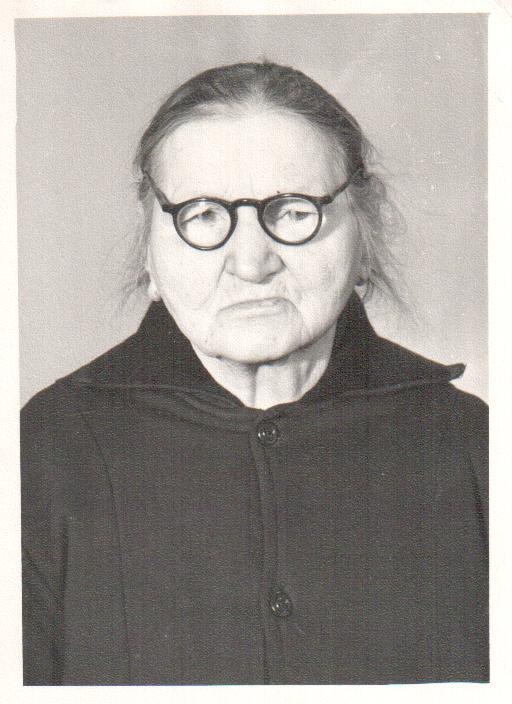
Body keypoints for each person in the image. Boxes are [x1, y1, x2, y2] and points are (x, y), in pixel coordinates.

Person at [21, 61, 488, 686]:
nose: (251, 262)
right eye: (203, 215)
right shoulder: (43, 450)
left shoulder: (474, 446)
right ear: (151, 247)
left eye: (293, 212)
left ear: (364, 228)